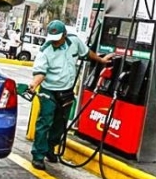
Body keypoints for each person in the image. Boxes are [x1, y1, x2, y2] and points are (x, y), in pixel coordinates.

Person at [27, 20, 111, 170]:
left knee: (60, 123)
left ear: (64, 35)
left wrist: (101, 60)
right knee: (45, 122)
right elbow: (40, 72)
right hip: (49, 91)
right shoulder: (45, 51)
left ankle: (50, 148)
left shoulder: (74, 42)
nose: (54, 42)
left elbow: (86, 53)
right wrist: (34, 84)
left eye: (57, 38)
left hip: (66, 91)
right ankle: (38, 155)